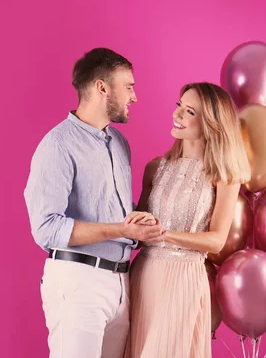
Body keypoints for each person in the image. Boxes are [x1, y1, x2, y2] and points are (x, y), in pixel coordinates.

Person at [24, 47, 163, 358]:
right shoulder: (58, 145)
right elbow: (46, 229)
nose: (134, 97)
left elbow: (119, 217)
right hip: (78, 282)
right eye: (128, 86)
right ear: (102, 88)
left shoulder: (119, 143)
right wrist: (120, 229)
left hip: (120, 282)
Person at [126, 82, 252, 357]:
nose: (178, 115)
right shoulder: (155, 168)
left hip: (183, 279)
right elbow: (137, 238)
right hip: (144, 275)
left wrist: (164, 234)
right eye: (179, 106)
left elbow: (216, 241)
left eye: (190, 112)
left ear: (211, 124)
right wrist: (135, 227)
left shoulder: (223, 176)